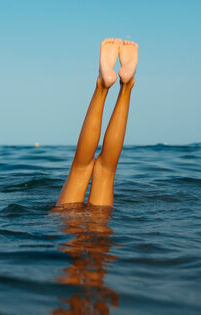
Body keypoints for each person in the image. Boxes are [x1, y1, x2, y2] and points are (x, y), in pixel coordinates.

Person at [56, 38, 138, 207]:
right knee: (99, 171)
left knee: (89, 171)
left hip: (76, 224)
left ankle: (106, 85)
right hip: (92, 219)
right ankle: (125, 85)